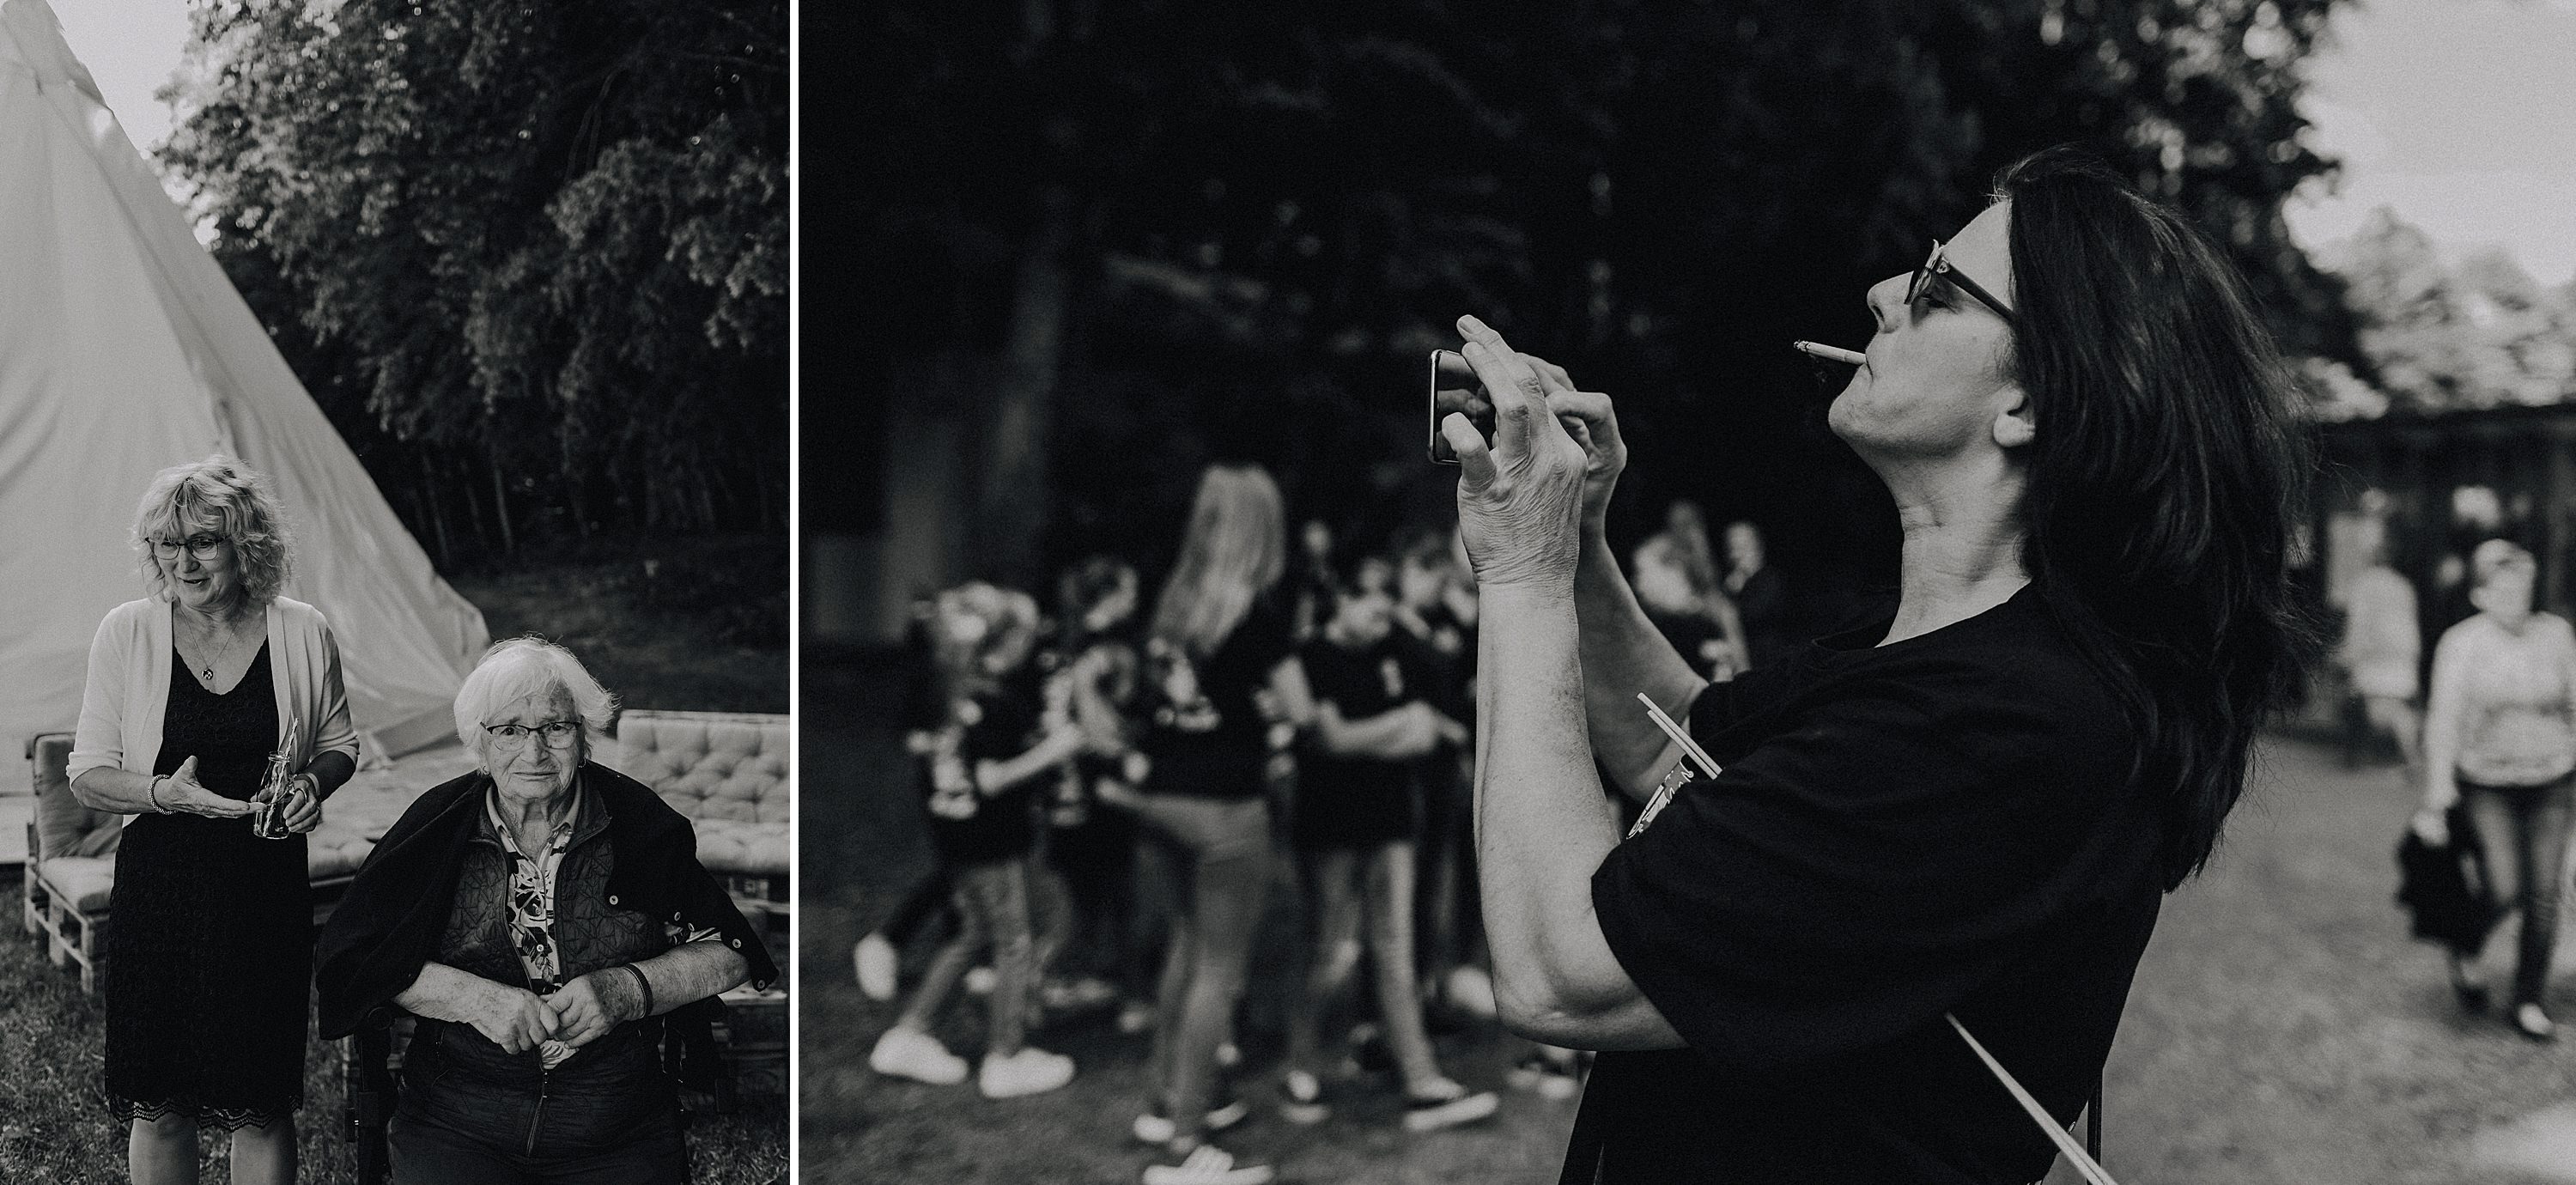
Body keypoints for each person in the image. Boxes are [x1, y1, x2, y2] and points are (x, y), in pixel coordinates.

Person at [1437, 146, 2312, 1182]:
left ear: (2030, 404)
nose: (1886, 289)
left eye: (1941, 285)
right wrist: (1579, 550)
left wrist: (1523, 572)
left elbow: (1562, 973)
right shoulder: (1936, 654)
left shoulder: (2009, 726)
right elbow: (1677, 743)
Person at [313, 637, 778, 1183]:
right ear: (479, 746)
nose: (533, 752)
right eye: (509, 730)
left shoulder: (637, 824)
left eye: (555, 728)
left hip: (616, 1119)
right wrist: (473, 999)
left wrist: (627, 990)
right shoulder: (437, 827)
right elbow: (348, 958)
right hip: (458, 1115)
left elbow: (732, 952)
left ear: (583, 739)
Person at [68, 455, 358, 1185]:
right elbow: (89, 775)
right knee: (160, 1103)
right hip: (161, 889)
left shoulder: (302, 630)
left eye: (203, 541)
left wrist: (311, 786)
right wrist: (169, 794)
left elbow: (339, 744)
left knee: (259, 1103)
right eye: (168, 544)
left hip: (263, 887)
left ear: (247, 545)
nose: (183, 561)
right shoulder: (127, 633)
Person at [1092, 462, 1310, 1185]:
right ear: (1261, 530)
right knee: (1220, 971)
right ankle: (1185, 1148)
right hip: (1225, 813)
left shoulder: (1175, 602)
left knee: (1186, 953)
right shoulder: (1257, 614)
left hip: (1161, 801)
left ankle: (1165, 1102)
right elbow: (1302, 711)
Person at [1277, 568, 1494, 1133]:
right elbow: (1332, 738)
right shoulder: (1312, 657)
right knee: (1331, 949)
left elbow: (1427, 729)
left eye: (1386, 615)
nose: (1382, 626)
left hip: (1392, 821)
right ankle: (1300, 1067)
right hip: (1331, 828)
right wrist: (1396, 726)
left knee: (1395, 951)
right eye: (1372, 613)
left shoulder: (1390, 650)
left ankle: (1422, 1081)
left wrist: (1381, 733)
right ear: (1341, 604)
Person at [869, 581, 1085, 1097]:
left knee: (971, 934)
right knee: (1013, 940)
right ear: (1006, 645)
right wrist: (1056, 749)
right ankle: (1006, 1059)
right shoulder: (994, 702)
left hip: (956, 835)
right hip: (989, 841)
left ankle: (908, 1036)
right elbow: (991, 778)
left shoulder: (954, 690)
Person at [2414, 539, 2576, 1041]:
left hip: (2552, 777)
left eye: (2524, 591)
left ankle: (2527, 999)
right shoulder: (2462, 644)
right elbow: (2443, 721)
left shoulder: (2555, 635)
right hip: (2487, 783)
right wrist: (2437, 794)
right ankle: (2467, 942)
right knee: (2505, 887)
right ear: (2481, 595)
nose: (2516, 602)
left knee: (2546, 895)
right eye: (2503, 592)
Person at [1630, 499, 1751, 680]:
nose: (1687, 530)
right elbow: (1654, 596)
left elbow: (1709, 583)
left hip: (1693, 612)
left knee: (1727, 613)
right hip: (1665, 617)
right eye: (1681, 524)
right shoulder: (1655, 551)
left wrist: (1699, 549)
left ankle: (1743, 677)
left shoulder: (1694, 547)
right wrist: (1692, 604)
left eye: (1692, 525)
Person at [2339, 526, 2424, 783]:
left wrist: (2350, 653)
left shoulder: (2364, 584)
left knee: (2380, 709)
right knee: (2395, 708)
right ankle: (2409, 756)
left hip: (2375, 654)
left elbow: (2359, 623)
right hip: (2403, 652)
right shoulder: (2403, 585)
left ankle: (2402, 757)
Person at [1722, 519, 1796, 672]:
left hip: (1771, 664)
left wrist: (1737, 589)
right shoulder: (1731, 584)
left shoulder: (1771, 579)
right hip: (1744, 663)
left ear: (1758, 547)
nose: (1736, 555)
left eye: (1742, 547)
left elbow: (1753, 615)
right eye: (1732, 548)